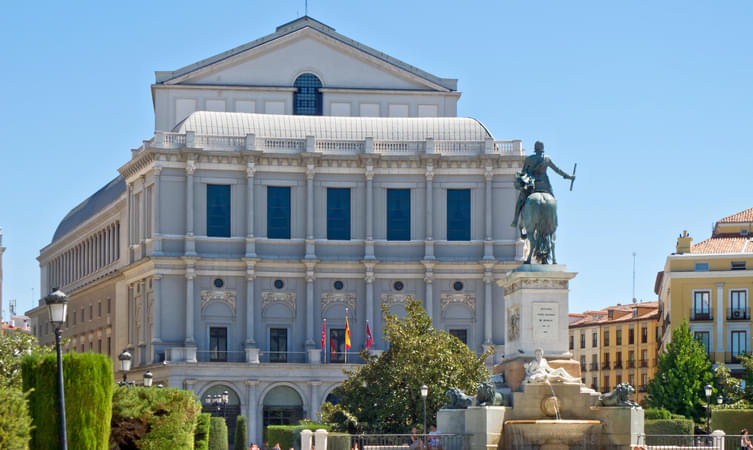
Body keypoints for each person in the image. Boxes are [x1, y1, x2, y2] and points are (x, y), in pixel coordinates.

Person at [511, 141, 574, 227]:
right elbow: (557, 170)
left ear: (535, 149)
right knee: (553, 200)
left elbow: (523, 173)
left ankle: (515, 220)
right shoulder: (547, 159)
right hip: (545, 185)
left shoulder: (529, 159)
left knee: (520, 200)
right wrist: (568, 177)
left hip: (533, 186)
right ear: (542, 149)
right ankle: (554, 220)